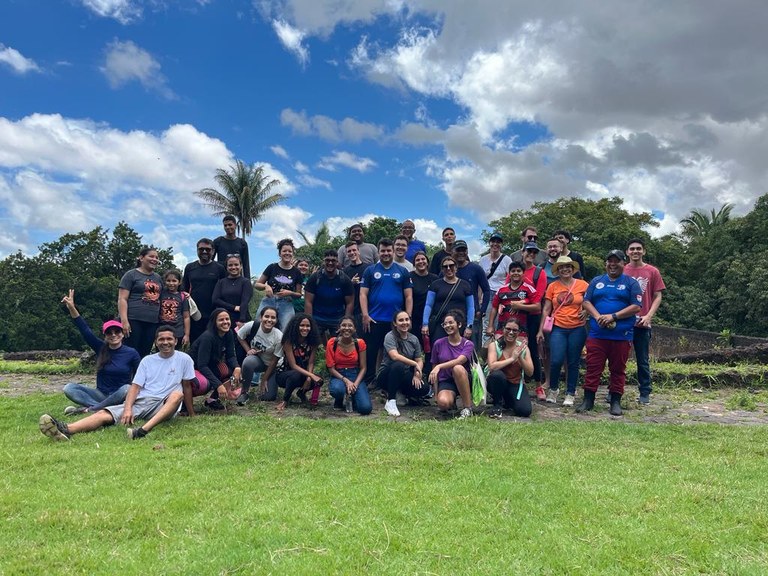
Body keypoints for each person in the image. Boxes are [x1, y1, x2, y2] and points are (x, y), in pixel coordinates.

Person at [39, 325, 195, 442]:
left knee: (177, 394)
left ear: (176, 341)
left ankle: (142, 430)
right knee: (103, 414)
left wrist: (191, 413)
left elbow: (187, 387)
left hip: (165, 404)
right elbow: (135, 387)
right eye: (161, 339)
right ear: (155, 342)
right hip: (143, 401)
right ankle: (65, 430)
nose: (165, 342)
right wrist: (127, 409)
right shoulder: (148, 360)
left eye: (169, 339)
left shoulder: (184, 359)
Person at [579, 250, 642, 416]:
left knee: (618, 369)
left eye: (617, 261)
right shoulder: (597, 281)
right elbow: (586, 301)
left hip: (621, 335)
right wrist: (598, 316)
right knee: (593, 367)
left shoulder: (631, 283)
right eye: (609, 261)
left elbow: (636, 306)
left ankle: (615, 401)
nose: (612, 264)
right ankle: (588, 400)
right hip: (597, 334)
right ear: (605, 263)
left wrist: (613, 316)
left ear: (623, 263)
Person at [60, 289, 140, 415]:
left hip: (120, 394)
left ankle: (90, 409)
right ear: (105, 336)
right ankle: (101, 407)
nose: (113, 335)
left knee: (127, 389)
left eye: (117, 332)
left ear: (122, 334)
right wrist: (72, 307)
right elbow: (84, 329)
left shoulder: (131, 353)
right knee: (69, 388)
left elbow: (139, 377)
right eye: (109, 332)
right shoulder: (101, 348)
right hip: (100, 394)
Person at [536, 256, 589, 407]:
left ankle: (570, 393)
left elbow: (592, 301)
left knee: (573, 361)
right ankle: (553, 389)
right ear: (557, 270)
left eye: (568, 267)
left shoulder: (583, 284)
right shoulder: (552, 286)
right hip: (558, 326)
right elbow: (546, 309)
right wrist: (540, 330)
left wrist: (587, 312)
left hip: (577, 327)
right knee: (556, 360)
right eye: (561, 267)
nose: (565, 270)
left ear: (573, 269)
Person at [360, 239, 413, 380]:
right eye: (383, 250)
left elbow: (408, 296)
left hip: (395, 321)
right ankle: (371, 380)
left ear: (393, 251)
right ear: (378, 252)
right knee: (371, 351)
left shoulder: (403, 271)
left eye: (389, 250)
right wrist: (365, 315)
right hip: (374, 319)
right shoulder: (370, 270)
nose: (386, 253)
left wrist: (408, 316)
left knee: (394, 352)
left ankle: (390, 381)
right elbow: (363, 294)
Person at [625, 238, 666, 404]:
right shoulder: (622, 270)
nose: (635, 251)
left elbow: (658, 296)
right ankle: (615, 389)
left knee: (642, 360)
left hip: (643, 322)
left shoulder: (652, 271)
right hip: (624, 321)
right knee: (619, 358)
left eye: (638, 249)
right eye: (632, 249)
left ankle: (645, 392)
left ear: (644, 251)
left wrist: (649, 315)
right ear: (627, 252)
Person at [188, 308, 241, 412]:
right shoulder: (208, 337)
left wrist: (237, 368)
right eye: (221, 320)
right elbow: (202, 365)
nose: (225, 322)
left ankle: (212, 400)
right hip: (194, 368)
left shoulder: (229, 333)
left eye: (227, 319)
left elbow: (230, 356)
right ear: (214, 322)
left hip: (211, 365)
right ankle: (185, 404)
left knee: (229, 371)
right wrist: (218, 385)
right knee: (203, 384)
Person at [377, 310, 429, 417]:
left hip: (405, 374)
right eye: (401, 320)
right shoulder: (390, 336)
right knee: (398, 365)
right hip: (386, 375)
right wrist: (414, 364)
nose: (404, 322)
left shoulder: (414, 339)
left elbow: (419, 359)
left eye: (407, 319)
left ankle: (401, 393)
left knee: (424, 388)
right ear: (395, 323)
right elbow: (394, 356)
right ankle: (390, 401)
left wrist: (417, 374)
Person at [429, 310, 474, 419]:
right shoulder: (438, 343)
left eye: (450, 323)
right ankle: (451, 401)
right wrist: (436, 393)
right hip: (447, 380)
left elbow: (460, 360)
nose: (447, 326)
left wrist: (440, 366)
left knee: (457, 368)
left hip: (465, 378)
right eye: (445, 324)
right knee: (443, 403)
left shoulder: (468, 344)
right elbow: (434, 368)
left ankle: (467, 408)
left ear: (459, 324)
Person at [117, 246, 162, 357]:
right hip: (134, 319)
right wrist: (124, 320)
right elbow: (122, 298)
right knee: (131, 352)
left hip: (152, 321)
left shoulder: (158, 278)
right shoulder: (131, 275)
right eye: (151, 256)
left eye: (157, 257)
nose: (154, 259)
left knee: (145, 353)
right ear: (141, 258)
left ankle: (141, 374)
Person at [486, 319, 534, 418]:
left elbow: (530, 372)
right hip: (497, 382)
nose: (511, 332)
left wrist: (519, 357)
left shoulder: (524, 348)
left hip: (515, 383)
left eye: (515, 330)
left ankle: (507, 400)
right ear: (503, 329)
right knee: (497, 375)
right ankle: (497, 404)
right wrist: (512, 358)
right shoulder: (494, 345)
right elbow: (492, 366)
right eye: (508, 329)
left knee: (525, 411)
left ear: (519, 332)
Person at [235, 306, 283, 404]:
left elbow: (274, 360)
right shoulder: (253, 325)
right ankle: (244, 392)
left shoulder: (279, 336)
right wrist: (248, 350)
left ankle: (268, 383)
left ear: (276, 320)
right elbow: (240, 336)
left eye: (273, 318)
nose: (269, 320)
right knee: (248, 362)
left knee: (268, 397)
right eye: (266, 316)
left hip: (273, 366)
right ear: (261, 318)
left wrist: (264, 379)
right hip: (258, 361)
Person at [182, 238, 226, 343]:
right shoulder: (190, 267)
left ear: (213, 251)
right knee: (195, 343)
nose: (204, 252)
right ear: (197, 250)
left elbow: (224, 289)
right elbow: (184, 289)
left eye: (208, 249)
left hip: (213, 312)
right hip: (194, 312)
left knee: (212, 342)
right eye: (201, 249)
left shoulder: (219, 268)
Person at [276, 313, 323, 410]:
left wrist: (309, 378)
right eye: (302, 325)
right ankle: (285, 400)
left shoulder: (313, 342)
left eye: (308, 326)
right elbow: (293, 365)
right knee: (295, 374)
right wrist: (311, 375)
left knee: (319, 380)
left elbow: (311, 362)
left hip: (303, 373)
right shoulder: (288, 341)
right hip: (285, 374)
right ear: (296, 326)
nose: (305, 328)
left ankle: (301, 393)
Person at [422, 256, 474, 342]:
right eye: (445, 267)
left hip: (459, 325)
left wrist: (469, 326)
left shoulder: (465, 285)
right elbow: (428, 305)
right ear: (442, 269)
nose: (448, 268)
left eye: (451, 266)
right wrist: (425, 323)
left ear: (456, 268)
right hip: (441, 324)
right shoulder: (435, 285)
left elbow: (471, 307)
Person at [253, 238, 302, 330]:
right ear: (280, 253)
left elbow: (299, 294)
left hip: (286, 303)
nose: (287, 253)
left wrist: (290, 293)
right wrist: (266, 286)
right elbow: (257, 285)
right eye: (284, 251)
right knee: (258, 325)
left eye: (290, 251)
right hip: (269, 300)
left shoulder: (296, 272)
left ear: (292, 253)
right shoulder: (272, 267)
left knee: (287, 330)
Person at [326, 317, 371, 415]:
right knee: (338, 390)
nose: (347, 328)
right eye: (344, 325)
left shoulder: (360, 343)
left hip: (355, 375)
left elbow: (363, 368)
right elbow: (331, 368)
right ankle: (339, 399)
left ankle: (353, 396)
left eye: (350, 325)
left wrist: (355, 384)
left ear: (355, 329)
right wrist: (346, 381)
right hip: (339, 375)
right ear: (339, 328)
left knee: (365, 409)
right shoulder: (332, 343)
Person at [304, 249, 354, 339]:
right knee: (313, 344)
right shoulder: (315, 278)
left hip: (337, 318)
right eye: (327, 260)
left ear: (337, 262)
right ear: (323, 261)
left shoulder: (344, 279)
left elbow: (349, 303)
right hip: (317, 317)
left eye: (333, 261)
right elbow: (308, 301)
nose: (330, 263)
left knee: (339, 345)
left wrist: (346, 322)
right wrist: (309, 321)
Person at [485, 260, 538, 340]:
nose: (516, 273)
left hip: (521, 329)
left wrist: (520, 306)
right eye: (513, 271)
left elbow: (538, 307)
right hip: (502, 327)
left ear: (523, 273)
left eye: (519, 271)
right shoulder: (501, 290)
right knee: (500, 351)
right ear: (509, 274)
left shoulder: (529, 289)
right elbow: (494, 308)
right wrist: (490, 326)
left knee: (519, 351)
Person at [521, 241, 548, 398]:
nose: (531, 254)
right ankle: (519, 383)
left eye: (534, 252)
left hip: (532, 317)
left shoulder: (539, 273)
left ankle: (538, 385)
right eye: (528, 251)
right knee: (516, 349)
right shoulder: (516, 270)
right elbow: (508, 290)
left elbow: (537, 301)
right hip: (517, 317)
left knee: (533, 349)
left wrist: (518, 304)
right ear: (523, 251)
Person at [452, 240, 490, 346]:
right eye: (458, 250)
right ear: (452, 251)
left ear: (467, 251)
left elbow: (486, 290)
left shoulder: (476, 269)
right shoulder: (448, 269)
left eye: (463, 250)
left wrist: (482, 310)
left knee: (472, 349)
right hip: (452, 315)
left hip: (472, 315)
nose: (461, 253)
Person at [479, 232, 512, 344]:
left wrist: (505, 293)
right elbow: (480, 280)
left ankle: (501, 350)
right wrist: (479, 298)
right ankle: (486, 353)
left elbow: (510, 277)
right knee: (487, 324)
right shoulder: (483, 260)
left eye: (498, 242)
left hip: (502, 294)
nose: (495, 244)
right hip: (487, 293)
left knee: (502, 322)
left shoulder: (506, 259)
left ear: (501, 244)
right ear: (489, 243)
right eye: (493, 241)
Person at [212, 254, 253, 329]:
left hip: (241, 320)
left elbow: (244, 302)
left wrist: (242, 320)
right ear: (226, 267)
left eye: (236, 264)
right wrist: (233, 307)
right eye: (230, 265)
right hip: (224, 320)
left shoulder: (245, 282)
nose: (233, 267)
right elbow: (215, 300)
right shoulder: (221, 282)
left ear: (241, 266)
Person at [159, 269, 191, 349]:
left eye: (174, 281)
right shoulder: (161, 294)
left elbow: (186, 317)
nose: (171, 283)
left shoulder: (183, 297)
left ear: (179, 282)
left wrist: (187, 335)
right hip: (162, 330)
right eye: (168, 281)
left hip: (178, 331)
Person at [409, 251, 438, 339]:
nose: (421, 261)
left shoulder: (435, 278)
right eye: (417, 260)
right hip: (414, 317)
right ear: (414, 263)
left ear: (427, 262)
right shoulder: (409, 277)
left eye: (423, 259)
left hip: (431, 318)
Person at [343, 242, 370, 333]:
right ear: (347, 254)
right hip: (352, 311)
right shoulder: (345, 272)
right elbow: (341, 291)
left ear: (358, 251)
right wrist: (351, 283)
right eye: (349, 251)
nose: (352, 252)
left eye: (354, 250)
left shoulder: (369, 268)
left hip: (368, 309)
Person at [213, 214, 250, 279]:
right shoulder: (218, 241)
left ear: (235, 225)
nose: (227, 227)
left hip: (238, 279)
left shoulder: (242, 243)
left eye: (230, 225)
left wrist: (247, 282)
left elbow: (246, 265)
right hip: (222, 279)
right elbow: (211, 261)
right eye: (225, 225)